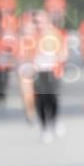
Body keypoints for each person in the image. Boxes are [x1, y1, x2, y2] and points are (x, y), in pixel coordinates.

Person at [20, 10, 68, 143]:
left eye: (41, 21)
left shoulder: (56, 34)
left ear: (47, 21)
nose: (39, 25)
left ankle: (54, 120)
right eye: (36, 22)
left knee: (53, 97)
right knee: (41, 99)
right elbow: (26, 55)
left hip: (53, 70)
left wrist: (59, 58)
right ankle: (44, 127)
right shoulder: (32, 37)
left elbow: (64, 51)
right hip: (38, 71)